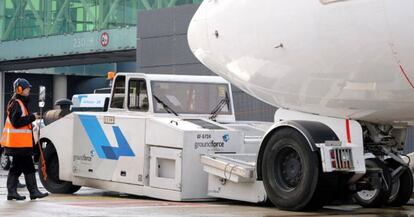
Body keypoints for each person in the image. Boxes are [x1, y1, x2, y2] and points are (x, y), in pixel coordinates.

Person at [0, 78, 48, 200]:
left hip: (20, 144)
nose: (29, 91)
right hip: (18, 144)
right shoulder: (16, 103)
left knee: (20, 167)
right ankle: (31, 191)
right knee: (25, 166)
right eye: (27, 89)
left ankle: (19, 192)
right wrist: (32, 117)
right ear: (20, 89)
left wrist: (31, 117)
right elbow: (16, 122)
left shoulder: (19, 103)